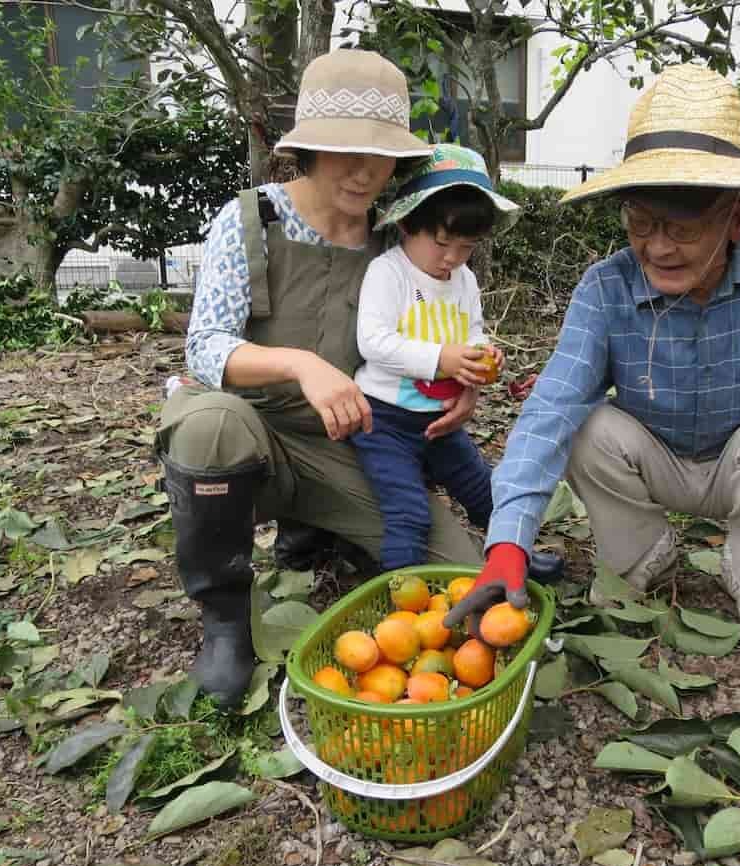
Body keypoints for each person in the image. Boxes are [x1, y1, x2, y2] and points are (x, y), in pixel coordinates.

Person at [154, 51, 551, 709]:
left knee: (450, 572)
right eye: (344, 151)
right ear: (308, 147)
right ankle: (224, 621)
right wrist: (300, 364)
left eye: (381, 155)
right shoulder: (253, 220)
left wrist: (468, 381)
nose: (364, 171)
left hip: (350, 440)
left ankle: (322, 527)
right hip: (249, 429)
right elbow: (204, 347)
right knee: (208, 424)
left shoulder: (397, 238)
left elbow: (439, 325)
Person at [444, 64, 740, 641]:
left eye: (681, 229)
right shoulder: (607, 287)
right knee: (582, 424)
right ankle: (641, 555)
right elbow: (549, 411)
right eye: (640, 222)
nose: (657, 247)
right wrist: (508, 543)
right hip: (652, 458)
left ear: (737, 218)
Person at [349, 144, 516, 571]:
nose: (452, 258)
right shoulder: (389, 273)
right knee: (409, 513)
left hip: (440, 422)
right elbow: (373, 342)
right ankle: (400, 596)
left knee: (486, 493)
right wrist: (442, 357)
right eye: (442, 243)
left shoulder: (464, 280)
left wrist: (481, 358)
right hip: (383, 422)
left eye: (466, 247)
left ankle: (517, 563)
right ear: (407, 224)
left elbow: (472, 331)